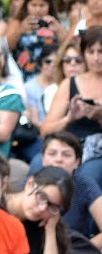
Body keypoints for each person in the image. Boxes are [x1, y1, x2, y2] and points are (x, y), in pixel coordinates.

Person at [41, 26, 102, 187]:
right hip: (69, 146)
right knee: (37, 168)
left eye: (101, 52)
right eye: (91, 52)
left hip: (97, 152)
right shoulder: (70, 84)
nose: (97, 58)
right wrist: (69, 118)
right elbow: (45, 130)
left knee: (88, 176)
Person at [39, 131, 102, 248]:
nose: (58, 159)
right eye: (52, 154)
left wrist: (83, 249)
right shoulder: (31, 184)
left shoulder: (85, 184)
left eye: (66, 155)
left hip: (74, 246)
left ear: (77, 162)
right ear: (43, 159)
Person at [5, 166, 73, 254]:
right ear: (29, 184)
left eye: (52, 206)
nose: (42, 208)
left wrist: (50, 230)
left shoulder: (40, 228)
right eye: (42, 196)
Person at [7, 0, 68, 82]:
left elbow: (67, 47)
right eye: (34, 5)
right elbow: (7, 46)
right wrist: (20, 30)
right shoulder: (17, 22)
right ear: (26, 5)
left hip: (51, 78)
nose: (38, 10)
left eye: (42, 5)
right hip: (24, 78)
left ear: (49, 6)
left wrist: (58, 29)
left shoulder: (54, 23)